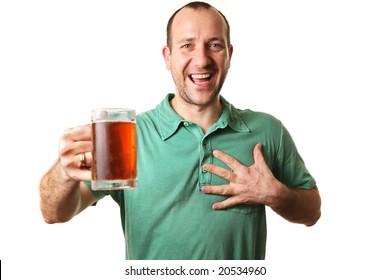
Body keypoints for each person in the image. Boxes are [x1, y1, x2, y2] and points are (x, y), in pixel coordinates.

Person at [39, 1, 321, 260]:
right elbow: (54, 213)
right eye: (187, 46)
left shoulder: (267, 131)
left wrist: (277, 195)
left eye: (214, 45)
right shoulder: (128, 137)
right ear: (167, 56)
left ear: (230, 54)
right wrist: (63, 173)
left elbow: (312, 212)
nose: (202, 60)